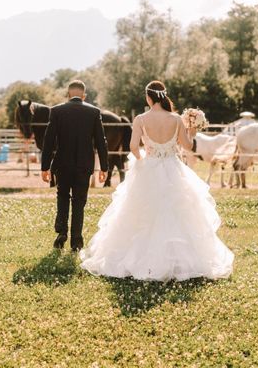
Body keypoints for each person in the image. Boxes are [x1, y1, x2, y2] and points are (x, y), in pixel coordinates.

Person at [80, 80, 234, 281]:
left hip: (149, 167)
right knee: (177, 213)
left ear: (148, 97)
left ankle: (140, 259)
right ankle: (180, 261)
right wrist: (192, 131)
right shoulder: (176, 119)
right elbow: (187, 146)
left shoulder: (141, 119)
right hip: (173, 168)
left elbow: (133, 146)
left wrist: (143, 159)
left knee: (141, 213)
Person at [41, 80, 108, 251]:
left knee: (62, 196)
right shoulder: (94, 112)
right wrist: (104, 167)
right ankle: (76, 242)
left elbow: (48, 141)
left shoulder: (57, 111)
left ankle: (61, 232)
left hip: (62, 164)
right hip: (84, 165)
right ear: (84, 95)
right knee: (79, 201)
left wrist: (44, 167)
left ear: (68, 94)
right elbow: (101, 142)